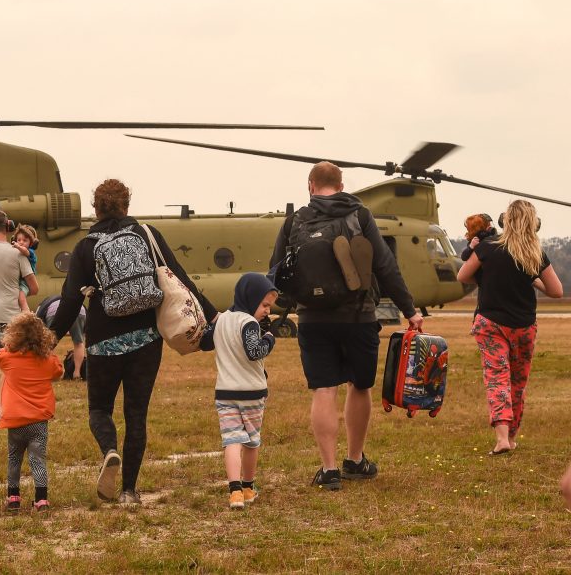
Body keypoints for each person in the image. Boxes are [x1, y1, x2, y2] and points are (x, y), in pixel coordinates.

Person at [50, 179, 217, 505]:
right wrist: (212, 316)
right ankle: (129, 490)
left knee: (100, 409)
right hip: (146, 340)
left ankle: (109, 450)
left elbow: (70, 300)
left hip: (102, 343)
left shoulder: (86, 246)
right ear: (127, 205)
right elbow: (179, 275)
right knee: (136, 414)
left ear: (95, 207)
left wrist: (49, 339)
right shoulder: (146, 233)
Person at [269, 161, 423, 491]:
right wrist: (409, 309)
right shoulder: (360, 215)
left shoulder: (295, 221)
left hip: (312, 319)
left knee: (323, 389)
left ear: (310, 185)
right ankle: (354, 459)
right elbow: (385, 265)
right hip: (358, 316)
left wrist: (275, 306)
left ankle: (329, 469)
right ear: (341, 185)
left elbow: (277, 271)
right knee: (359, 385)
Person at [457, 199, 562, 455]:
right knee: (518, 381)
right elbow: (556, 291)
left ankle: (502, 438)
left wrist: (485, 278)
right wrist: (533, 280)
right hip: (524, 326)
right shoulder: (535, 254)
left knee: (497, 378)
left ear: (506, 221)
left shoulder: (488, 248)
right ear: (532, 224)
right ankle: (512, 437)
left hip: (491, 324)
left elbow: (462, 276)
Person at [199, 273, 277, 509]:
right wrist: (270, 339)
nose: (266, 310)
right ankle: (248, 487)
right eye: (264, 305)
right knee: (251, 442)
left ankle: (234, 492)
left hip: (225, 392)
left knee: (231, 440)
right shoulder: (249, 323)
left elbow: (206, 342)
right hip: (252, 393)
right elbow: (254, 351)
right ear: (251, 298)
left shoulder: (222, 319)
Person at [0, 313, 64, 512]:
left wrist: (9, 347)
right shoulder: (48, 361)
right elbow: (59, 372)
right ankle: (41, 500)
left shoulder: (7, 358)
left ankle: (13, 498)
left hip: (15, 420)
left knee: (14, 458)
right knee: (37, 460)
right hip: (38, 421)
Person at [0, 210, 39, 421]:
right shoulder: (17, 253)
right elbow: (34, 287)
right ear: (9, 226)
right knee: (9, 363)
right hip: (8, 314)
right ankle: (2, 407)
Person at [35, 294, 87, 381]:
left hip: (54, 311)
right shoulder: (69, 297)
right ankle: (77, 373)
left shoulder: (42, 307)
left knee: (48, 344)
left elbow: (38, 325)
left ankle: (49, 372)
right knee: (79, 343)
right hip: (79, 309)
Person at [11, 224, 39, 312]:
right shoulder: (17, 251)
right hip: (19, 278)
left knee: (21, 295)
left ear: (31, 243)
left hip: (25, 281)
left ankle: (26, 311)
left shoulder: (30, 252)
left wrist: (17, 246)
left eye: (25, 240)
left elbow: (25, 252)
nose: (21, 242)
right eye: (19, 240)